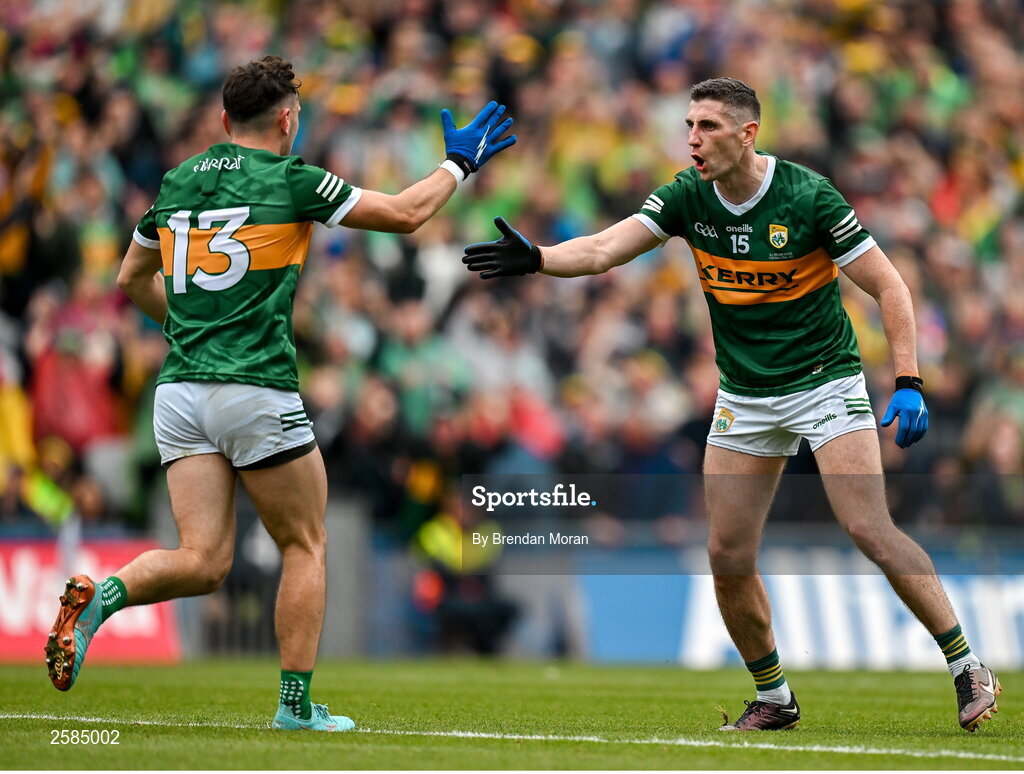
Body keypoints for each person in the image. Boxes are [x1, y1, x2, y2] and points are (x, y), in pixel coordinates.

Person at [462, 77, 1000, 733]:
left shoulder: (807, 196)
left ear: (748, 134)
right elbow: (606, 248)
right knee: (726, 553)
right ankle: (774, 694)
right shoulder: (687, 196)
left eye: (708, 126)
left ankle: (966, 663)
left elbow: (890, 285)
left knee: (867, 527)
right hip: (746, 394)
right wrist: (540, 258)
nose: (692, 138)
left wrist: (909, 379)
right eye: (689, 125)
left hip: (824, 381)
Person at [44, 55, 516, 732]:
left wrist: (188, 326)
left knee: (203, 560)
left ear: (223, 120)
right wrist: (459, 165)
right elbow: (409, 214)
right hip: (254, 388)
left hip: (179, 392)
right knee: (305, 542)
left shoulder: (179, 180)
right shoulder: (293, 178)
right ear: (287, 119)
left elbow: (128, 277)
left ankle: (99, 599)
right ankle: (295, 707)